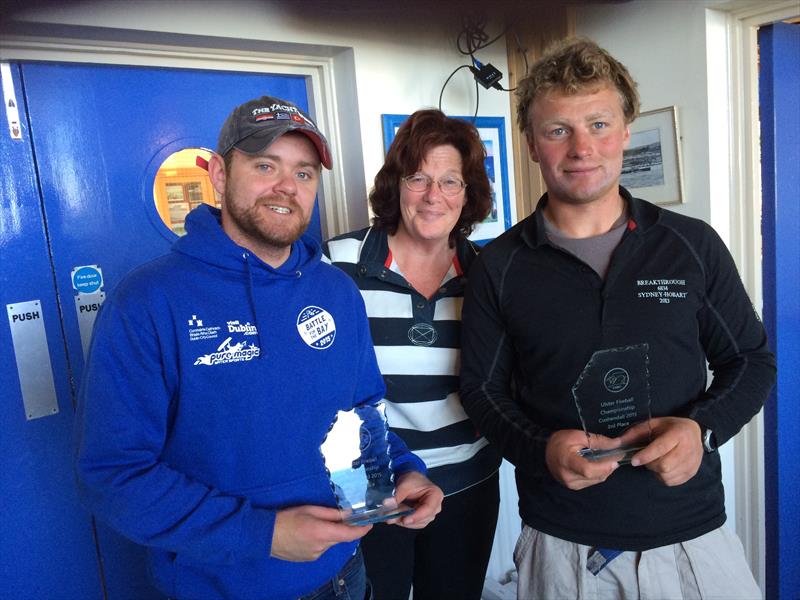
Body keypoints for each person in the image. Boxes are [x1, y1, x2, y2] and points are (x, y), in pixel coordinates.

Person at [74, 95, 443, 600]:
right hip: (220, 587)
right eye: (265, 165)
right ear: (220, 174)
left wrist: (405, 474)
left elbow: (361, 417)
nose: (286, 188)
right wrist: (263, 534)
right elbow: (113, 474)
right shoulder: (147, 302)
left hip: (344, 577)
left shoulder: (336, 292)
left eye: (305, 172)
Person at [459, 38, 776, 599]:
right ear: (531, 144)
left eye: (599, 124)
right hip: (561, 543)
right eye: (558, 130)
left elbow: (750, 360)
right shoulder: (499, 267)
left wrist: (702, 431)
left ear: (626, 130)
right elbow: (483, 393)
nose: (582, 147)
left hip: (690, 535)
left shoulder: (691, 246)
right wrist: (541, 450)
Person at [324, 109, 502, 600]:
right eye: (418, 178)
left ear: (468, 195)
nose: (432, 196)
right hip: (370, 487)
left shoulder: (488, 274)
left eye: (450, 181)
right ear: (396, 185)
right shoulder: (336, 265)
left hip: (467, 480)